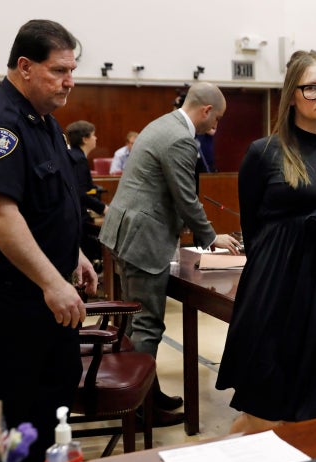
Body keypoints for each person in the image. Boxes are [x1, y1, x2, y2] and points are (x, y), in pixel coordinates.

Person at [0, 19, 97, 462]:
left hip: (41, 312)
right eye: (59, 71)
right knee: (7, 434)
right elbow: (0, 214)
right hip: (3, 316)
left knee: (43, 420)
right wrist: (54, 282)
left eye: (72, 70)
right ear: (25, 66)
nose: (69, 81)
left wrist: (73, 254)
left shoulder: (44, 121)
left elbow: (45, 205)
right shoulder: (0, 125)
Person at [215, 50, 316, 434]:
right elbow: (253, 227)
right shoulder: (264, 152)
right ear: (292, 94)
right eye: (312, 88)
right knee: (265, 399)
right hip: (275, 284)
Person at [99, 82, 240, 426]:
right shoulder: (180, 138)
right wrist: (211, 237)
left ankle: (148, 392)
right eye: (217, 119)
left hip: (126, 232)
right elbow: (185, 197)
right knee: (148, 323)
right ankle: (139, 410)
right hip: (143, 239)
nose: (216, 127)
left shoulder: (161, 123)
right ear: (205, 110)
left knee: (135, 322)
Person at [66, 120, 108, 266]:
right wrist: (104, 209)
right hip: (77, 217)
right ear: (84, 139)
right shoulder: (79, 159)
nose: (96, 138)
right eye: (93, 135)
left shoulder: (73, 156)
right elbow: (80, 193)